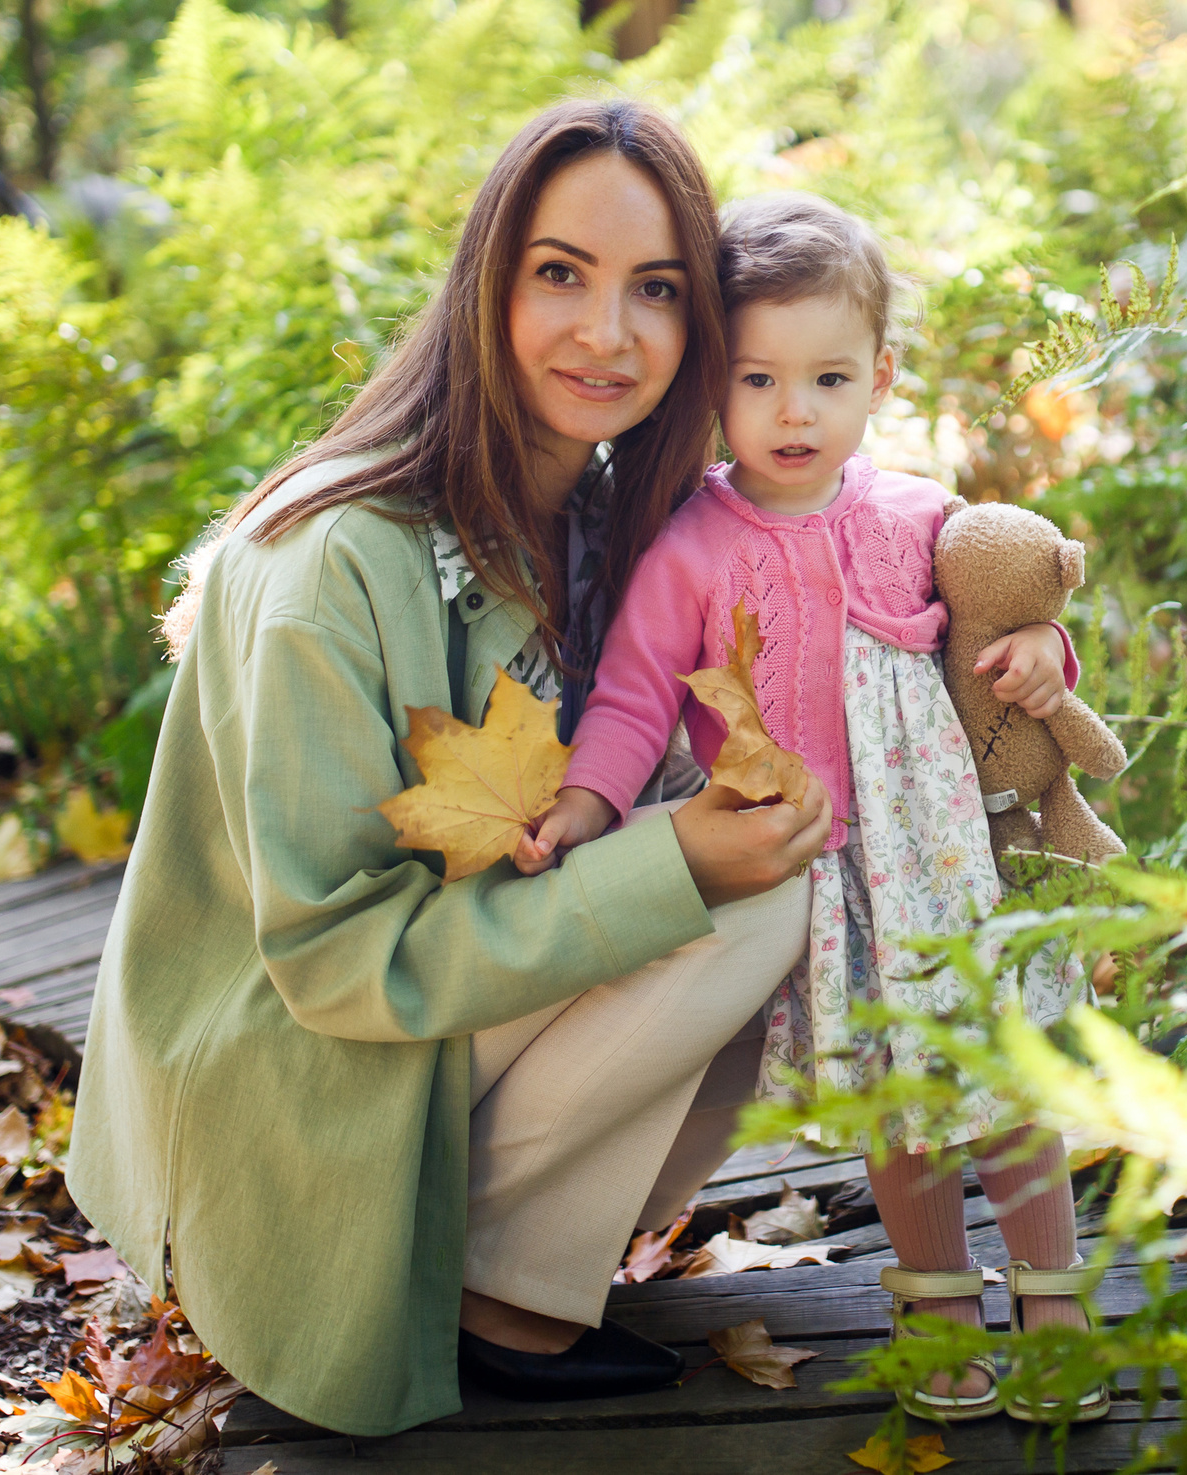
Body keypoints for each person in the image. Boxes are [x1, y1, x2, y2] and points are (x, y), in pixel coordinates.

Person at [67, 100, 838, 1441]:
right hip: (300, 1066)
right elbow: (333, 955)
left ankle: (518, 1278)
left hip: (448, 1005)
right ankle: (491, 1286)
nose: (607, 333)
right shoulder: (326, 567)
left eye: (654, 289)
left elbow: (856, 564)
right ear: (487, 280)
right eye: (560, 273)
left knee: (775, 859)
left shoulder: (600, 520)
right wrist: (670, 859)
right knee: (743, 892)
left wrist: (1015, 628)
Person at [519, 189, 1104, 1425]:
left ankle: (1052, 1296)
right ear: (712, 391)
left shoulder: (917, 518)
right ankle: (938, 1300)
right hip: (818, 874)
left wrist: (1047, 644)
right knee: (894, 1099)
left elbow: (1008, 609)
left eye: (827, 380)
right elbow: (631, 700)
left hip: (944, 856)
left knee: (1000, 1078)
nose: (795, 413)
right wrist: (584, 800)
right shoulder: (692, 544)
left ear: (878, 375)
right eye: (759, 381)